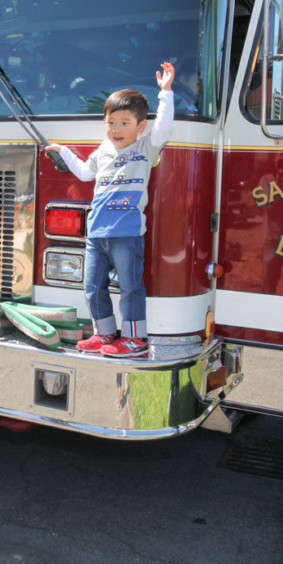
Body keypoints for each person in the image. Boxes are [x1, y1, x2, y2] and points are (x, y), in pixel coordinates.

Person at [45, 62, 175, 358]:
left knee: (130, 287)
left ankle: (134, 339)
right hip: (97, 233)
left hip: (127, 233)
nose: (116, 129)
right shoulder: (103, 150)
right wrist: (63, 151)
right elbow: (84, 173)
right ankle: (104, 333)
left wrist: (165, 93)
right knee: (92, 287)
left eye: (125, 123)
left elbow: (165, 126)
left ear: (141, 126)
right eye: (111, 122)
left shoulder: (145, 148)